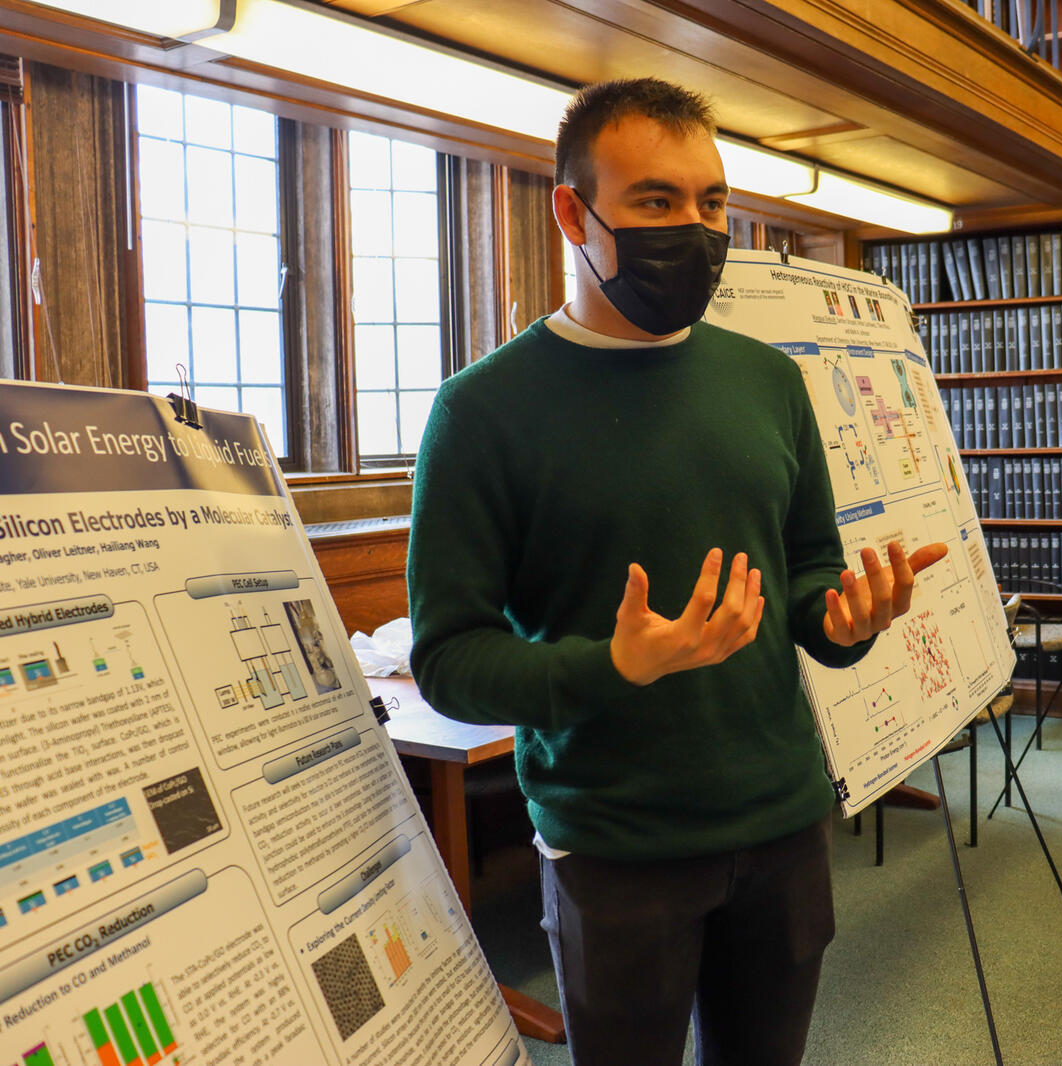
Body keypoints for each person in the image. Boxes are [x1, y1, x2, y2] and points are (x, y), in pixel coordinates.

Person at [406, 77, 946, 1066]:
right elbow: (448, 658)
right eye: (655, 202)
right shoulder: (481, 412)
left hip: (783, 824)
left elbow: (804, 578)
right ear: (573, 211)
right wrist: (613, 667)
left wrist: (846, 617)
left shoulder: (768, 381)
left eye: (710, 204)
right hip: (615, 849)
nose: (693, 230)